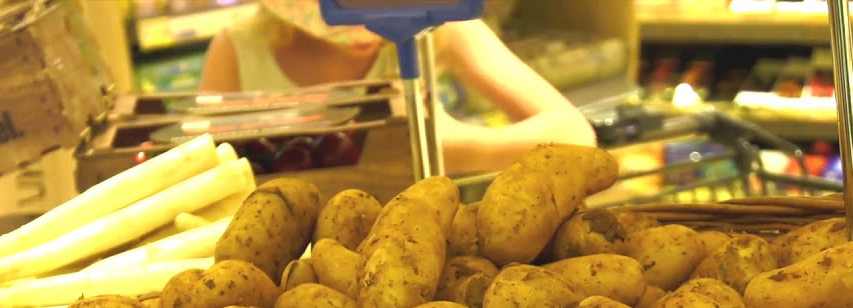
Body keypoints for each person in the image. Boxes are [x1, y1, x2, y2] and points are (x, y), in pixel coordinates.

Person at [198, 0, 596, 174]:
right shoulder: (237, 50)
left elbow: (574, 135)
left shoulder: (438, 27)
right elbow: (199, 176)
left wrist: (449, 146)